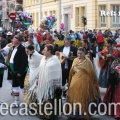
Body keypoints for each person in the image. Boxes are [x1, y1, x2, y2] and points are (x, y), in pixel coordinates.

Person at [66, 47, 101, 120]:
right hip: (75, 80)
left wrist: (92, 83)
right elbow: (72, 71)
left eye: (81, 53)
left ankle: (82, 113)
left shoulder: (87, 61)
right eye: (78, 53)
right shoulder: (75, 60)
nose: (79, 55)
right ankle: (73, 112)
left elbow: (91, 73)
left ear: (84, 53)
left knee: (83, 96)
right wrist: (70, 81)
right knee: (74, 96)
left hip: (84, 81)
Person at [9, 35, 28, 107]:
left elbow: (24, 62)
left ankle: (26, 101)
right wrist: (10, 69)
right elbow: (11, 59)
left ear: (19, 41)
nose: (12, 40)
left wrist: (20, 72)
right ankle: (16, 102)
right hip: (14, 71)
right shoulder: (14, 47)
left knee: (22, 87)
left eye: (14, 39)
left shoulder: (22, 49)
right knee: (15, 86)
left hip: (19, 72)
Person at [103, 42, 120, 119]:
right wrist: (116, 70)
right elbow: (112, 69)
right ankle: (116, 112)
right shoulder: (116, 61)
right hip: (116, 82)